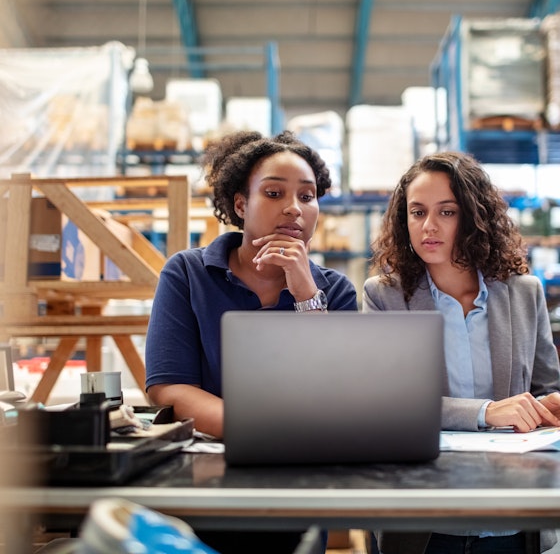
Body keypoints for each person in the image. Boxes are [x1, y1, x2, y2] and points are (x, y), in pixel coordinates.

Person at [145, 129, 358, 554]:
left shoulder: (336, 291)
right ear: (241, 205)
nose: (294, 209)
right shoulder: (187, 274)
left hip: (297, 485)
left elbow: (337, 395)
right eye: (275, 193)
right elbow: (167, 385)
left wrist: (305, 294)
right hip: (204, 484)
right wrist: (257, 431)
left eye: (307, 196)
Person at [362, 151, 560, 554]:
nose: (428, 226)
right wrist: (486, 412)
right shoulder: (385, 297)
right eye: (416, 213)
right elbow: (387, 407)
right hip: (424, 524)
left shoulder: (524, 293)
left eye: (446, 212)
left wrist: (548, 408)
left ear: (473, 217)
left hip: (513, 521)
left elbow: (546, 389)